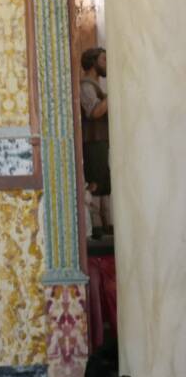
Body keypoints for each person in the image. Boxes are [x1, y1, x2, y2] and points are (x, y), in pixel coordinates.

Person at [80, 47, 111, 238]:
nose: (107, 64)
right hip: (92, 142)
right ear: (93, 63)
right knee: (96, 183)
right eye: (104, 60)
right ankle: (98, 228)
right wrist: (110, 97)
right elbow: (94, 112)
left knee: (105, 183)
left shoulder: (95, 86)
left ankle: (107, 225)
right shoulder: (86, 86)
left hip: (100, 140)